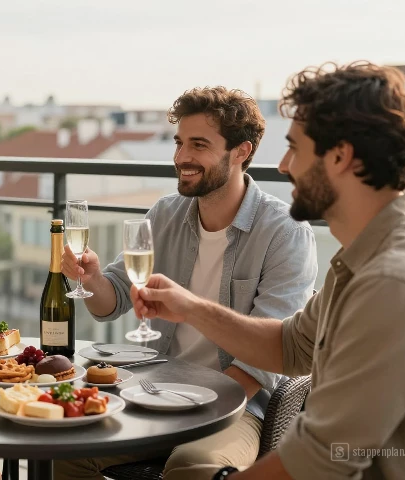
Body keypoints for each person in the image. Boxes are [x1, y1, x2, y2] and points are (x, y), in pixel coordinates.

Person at [131, 62, 405, 479]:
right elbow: (290, 347)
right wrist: (192, 309)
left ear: (341, 157)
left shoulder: (391, 280)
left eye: (295, 148)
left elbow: (327, 457)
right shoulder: (367, 254)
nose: (286, 165)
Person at [56, 87, 318, 480]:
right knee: (67, 447)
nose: (181, 158)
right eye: (179, 143)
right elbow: (109, 304)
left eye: (198, 145)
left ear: (241, 152)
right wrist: (92, 276)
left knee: (192, 467)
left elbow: (273, 350)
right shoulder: (165, 213)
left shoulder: (285, 231)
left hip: (235, 406)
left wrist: (195, 409)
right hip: (155, 390)